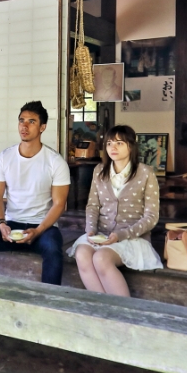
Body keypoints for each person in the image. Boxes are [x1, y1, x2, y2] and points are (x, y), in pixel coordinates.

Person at [0, 101, 70, 285]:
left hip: (43, 226)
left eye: (31, 121)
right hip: (12, 224)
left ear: (43, 127)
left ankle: (48, 303)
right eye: (21, 120)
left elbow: (59, 204)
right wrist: (1, 224)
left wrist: (39, 230)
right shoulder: (4, 158)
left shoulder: (55, 162)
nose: (24, 126)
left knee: (53, 249)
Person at [69, 124, 162, 296]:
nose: (113, 147)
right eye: (109, 143)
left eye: (119, 143)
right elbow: (92, 206)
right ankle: (103, 310)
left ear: (131, 146)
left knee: (101, 258)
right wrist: (90, 230)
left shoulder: (146, 173)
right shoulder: (99, 171)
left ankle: (123, 313)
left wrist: (120, 235)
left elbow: (151, 217)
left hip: (132, 238)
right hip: (101, 234)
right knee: (82, 254)